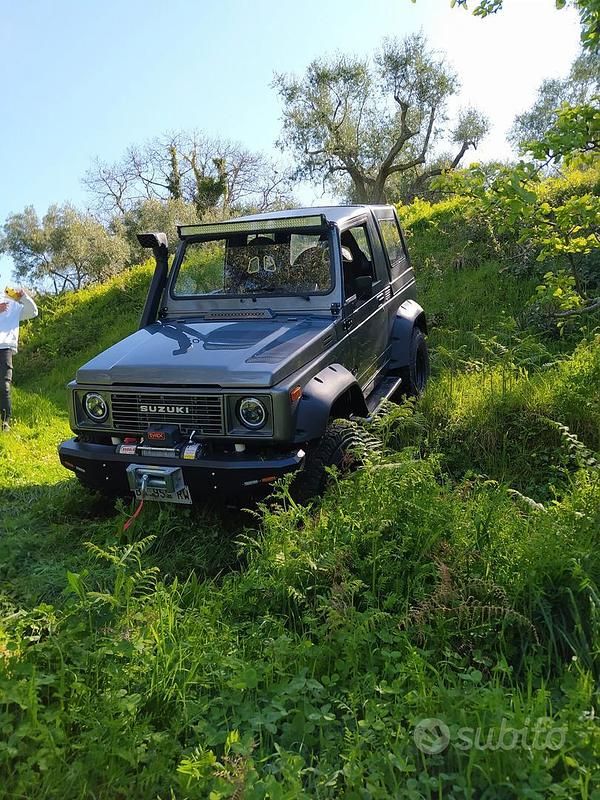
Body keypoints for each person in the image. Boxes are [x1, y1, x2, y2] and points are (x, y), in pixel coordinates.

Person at [0, 287, 38, 431]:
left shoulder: (14, 305)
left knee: (4, 386)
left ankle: (5, 421)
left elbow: (33, 312)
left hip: (5, 348)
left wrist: (24, 296)